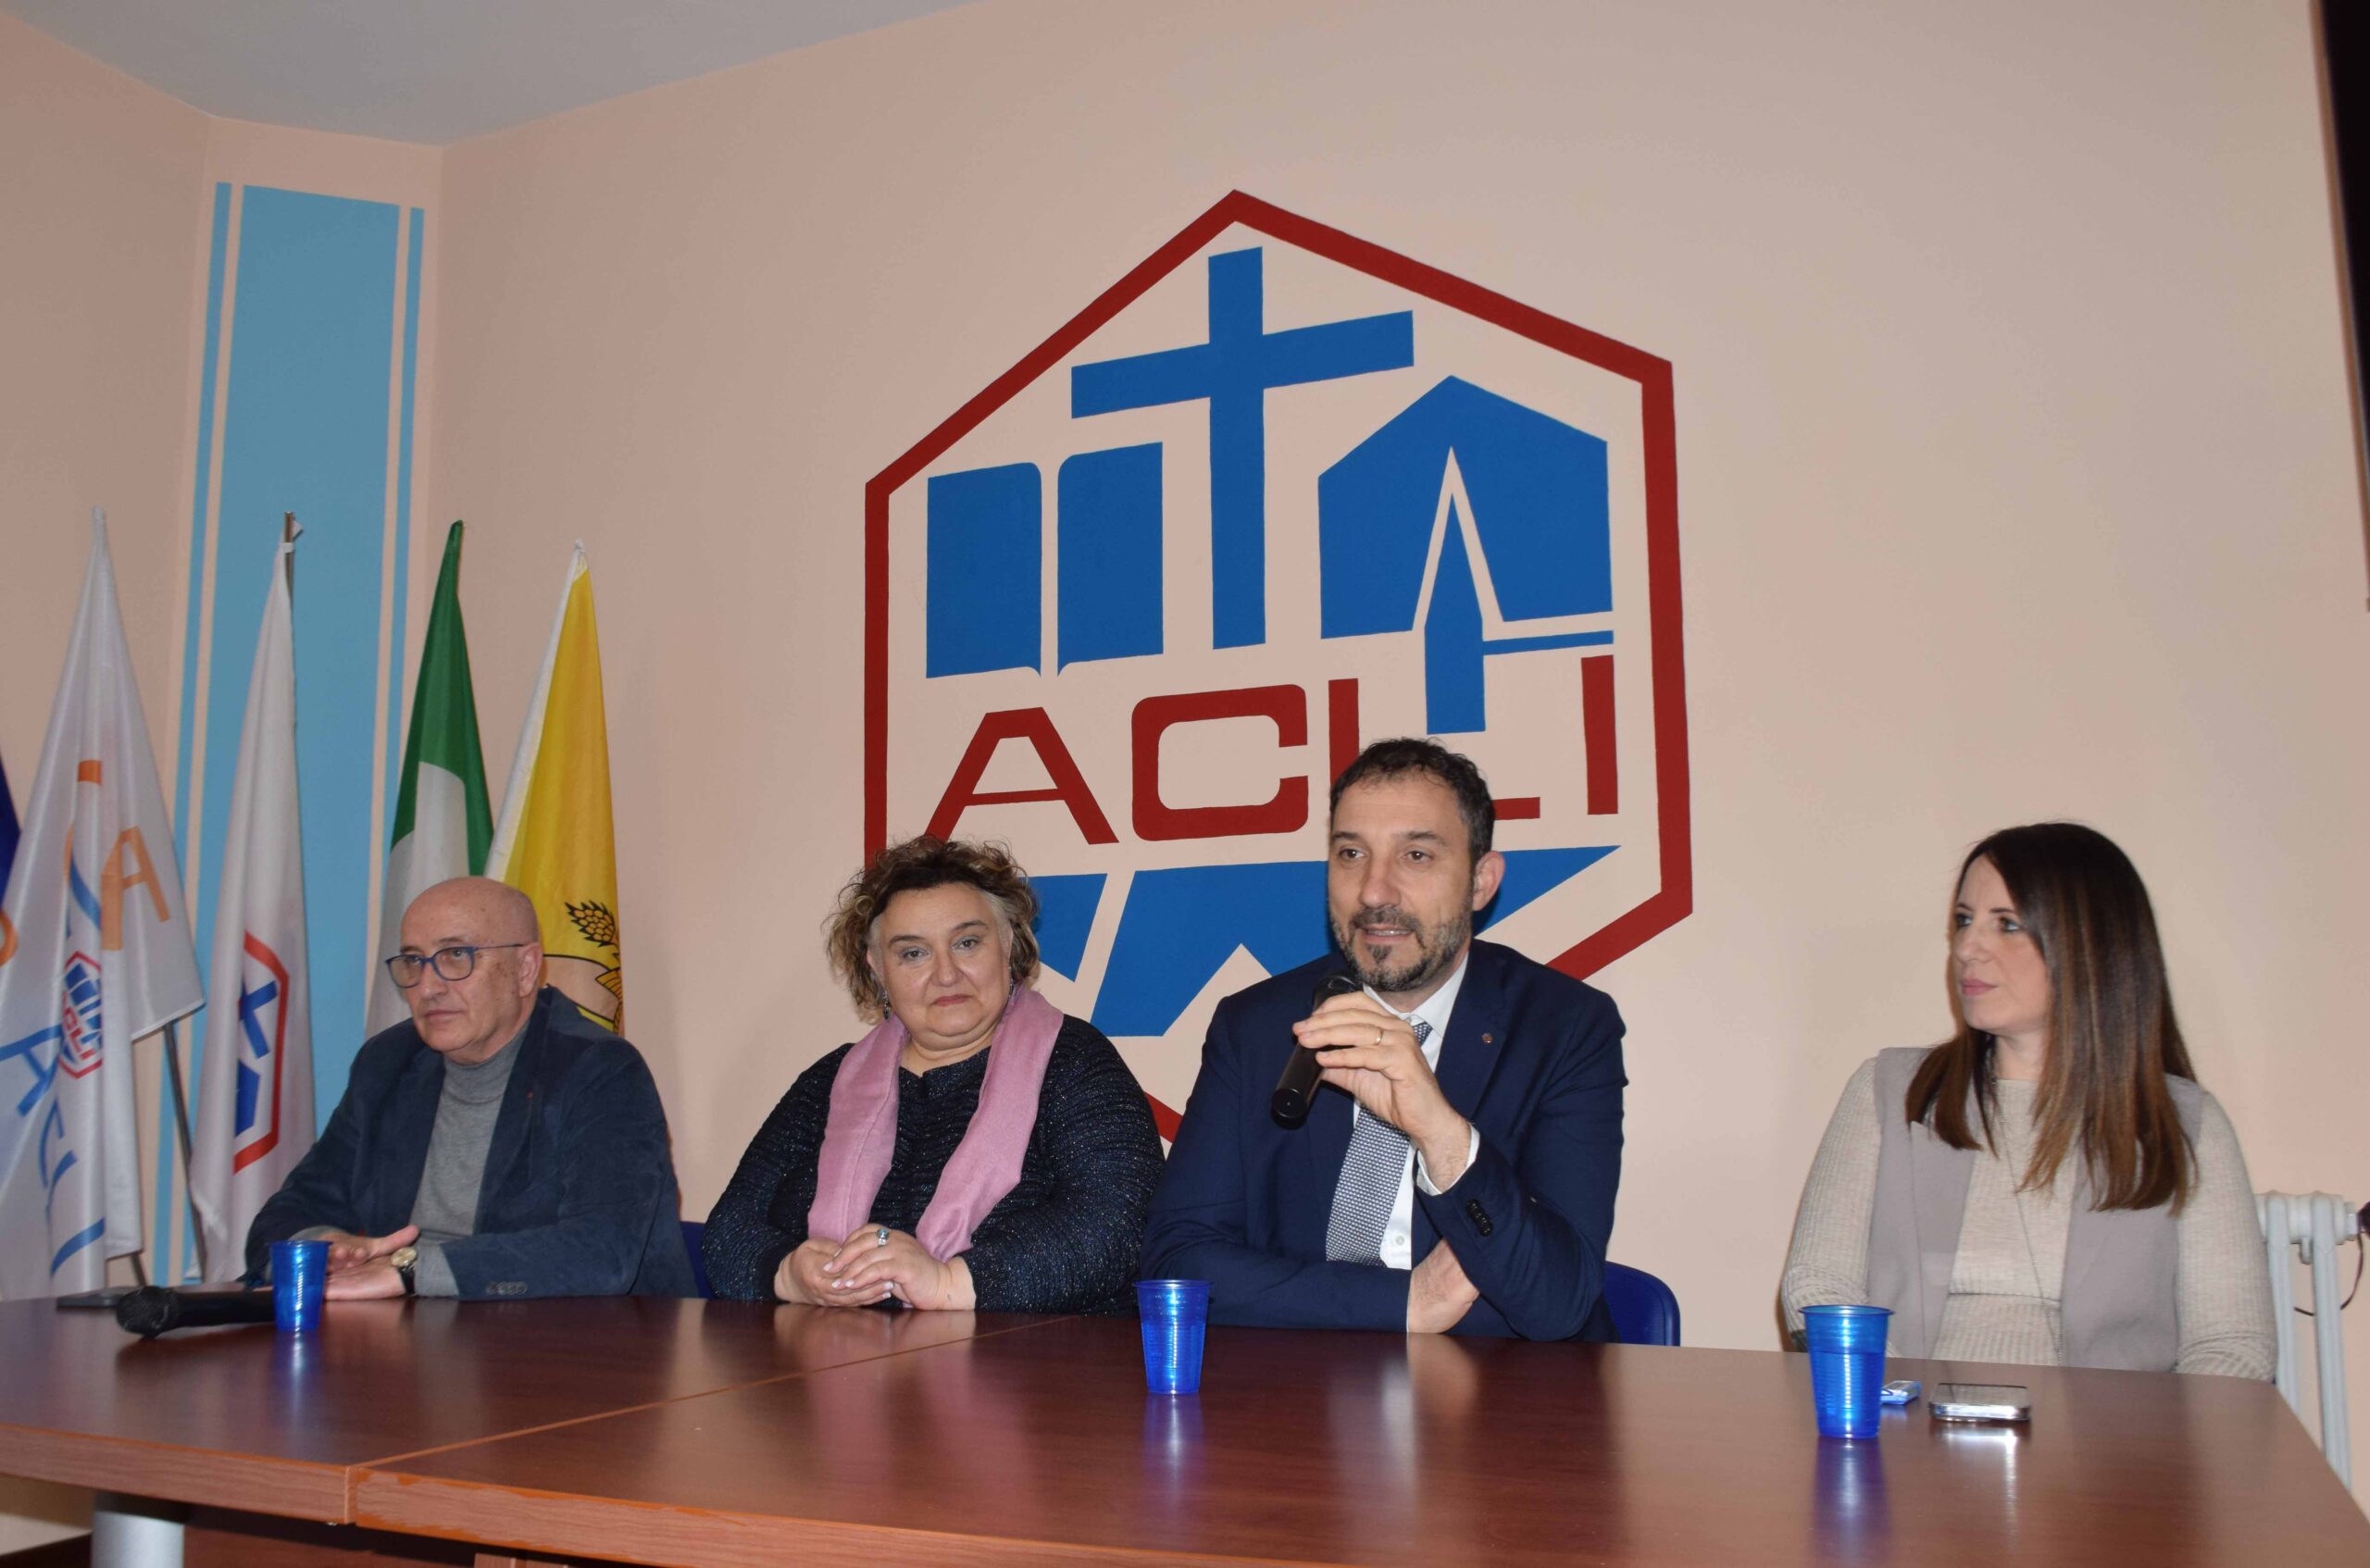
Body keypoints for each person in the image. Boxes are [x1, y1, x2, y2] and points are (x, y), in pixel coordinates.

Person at [1141, 739, 1627, 1339]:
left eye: (1416, 855)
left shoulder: (1565, 1026)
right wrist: (1406, 1303)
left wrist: (1443, 1135)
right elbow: (1177, 1263)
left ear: (1481, 882)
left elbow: (1557, 1303)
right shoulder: (1257, 1026)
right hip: (1299, 1386)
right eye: (1351, 853)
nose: (1374, 892)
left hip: (1504, 1388)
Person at [1780, 823, 2275, 1375]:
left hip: (2114, 1429)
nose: (1967, 948)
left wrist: (2136, 1430)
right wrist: (1895, 1395)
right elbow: (1817, 1286)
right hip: (1909, 1415)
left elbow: (2233, 1345)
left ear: (2090, 946)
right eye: (1963, 920)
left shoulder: (2185, 1126)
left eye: (2007, 924)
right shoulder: (1892, 1092)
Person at [702, 836, 1163, 1313]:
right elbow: (728, 1233)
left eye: (967, 943)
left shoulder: (1074, 1062)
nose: (946, 974)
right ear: (877, 968)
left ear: (1008, 946)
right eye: (913, 953)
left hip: (1028, 1355)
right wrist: (789, 1273)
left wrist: (946, 1283)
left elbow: (1119, 1222)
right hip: (832, 1353)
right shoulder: (828, 1081)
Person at [245, 877, 694, 1300]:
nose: (428, 987)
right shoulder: (388, 1063)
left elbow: (603, 1251)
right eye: (413, 961)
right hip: (412, 1330)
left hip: (582, 1339)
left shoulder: (598, 1069)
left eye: (456, 956)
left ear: (525, 969)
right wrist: (327, 1247)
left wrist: (409, 1270)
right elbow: (285, 1214)